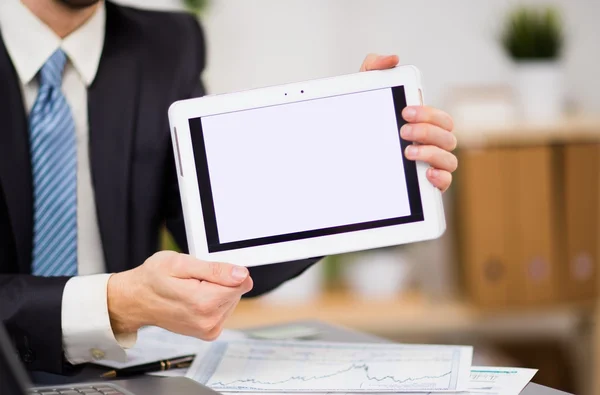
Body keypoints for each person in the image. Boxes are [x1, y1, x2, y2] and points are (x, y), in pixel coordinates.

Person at [0, 0, 458, 375]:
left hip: (122, 376)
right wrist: (113, 302)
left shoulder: (167, 44)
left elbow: (220, 248)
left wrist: (345, 166)